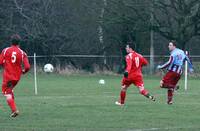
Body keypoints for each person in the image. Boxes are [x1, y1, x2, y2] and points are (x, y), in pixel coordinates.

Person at [0, 34, 30, 117]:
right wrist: (24, 71)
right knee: (10, 90)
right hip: (17, 78)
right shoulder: (22, 53)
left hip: (7, 76)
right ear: (19, 43)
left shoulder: (5, 50)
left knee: (7, 93)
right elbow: (27, 66)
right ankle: (13, 111)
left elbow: (0, 62)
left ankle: (14, 110)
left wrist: (5, 64)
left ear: (11, 42)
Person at [157, 41, 193, 105]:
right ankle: (169, 101)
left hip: (172, 72)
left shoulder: (173, 54)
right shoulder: (182, 51)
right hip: (179, 72)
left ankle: (174, 86)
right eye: (169, 45)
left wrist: (161, 67)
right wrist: (191, 67)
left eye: (170, 45)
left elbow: (169, 62)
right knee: (169, 87)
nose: (169, 46)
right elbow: (187, 58)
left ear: (174, 46)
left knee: (162, 84)